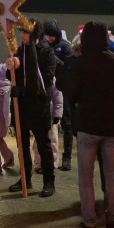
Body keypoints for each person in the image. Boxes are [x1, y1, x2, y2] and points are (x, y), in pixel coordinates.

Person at [64, 22, 114, 228]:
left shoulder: (79, 64)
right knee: (112, 174)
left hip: (88, 124)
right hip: (112, 125)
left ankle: (89, 222)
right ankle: (113, 219)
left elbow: (71, 93)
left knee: (86, 175)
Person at [7, 19, 58, 197]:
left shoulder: (45, 52)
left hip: (38, 106)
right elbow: (14, 75)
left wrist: (21, 89)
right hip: (22, 105)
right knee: (22, 145)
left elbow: (44, 81)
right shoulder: (21, 50)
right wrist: (11, 66)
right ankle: (25, 178)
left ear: (35, 33)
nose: (22, 36)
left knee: (43, 145)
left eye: (25, 32)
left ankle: (49, 181)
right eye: (21, 32)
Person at [43, 18, 74, 171]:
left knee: (67, 124)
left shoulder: (66, 47)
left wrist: (52, 57)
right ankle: (47, 159)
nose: (50, 39)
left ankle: (67, 158)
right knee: (48, 124)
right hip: (47, 89)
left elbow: (68, 68)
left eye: (52, 36)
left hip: (63, 89)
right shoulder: (42, 45)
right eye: (47, 36)